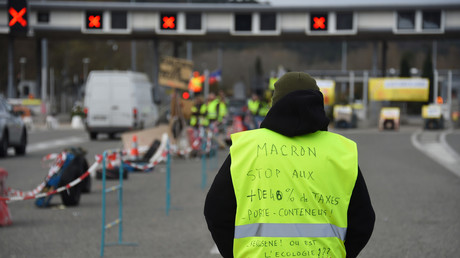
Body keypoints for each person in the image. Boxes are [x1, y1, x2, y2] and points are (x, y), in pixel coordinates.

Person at [204, 72, 375, 258]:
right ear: (318, 104)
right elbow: (363, 221)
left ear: (274, 104)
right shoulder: (341, 151)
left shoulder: (246, 148)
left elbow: (216, 212)